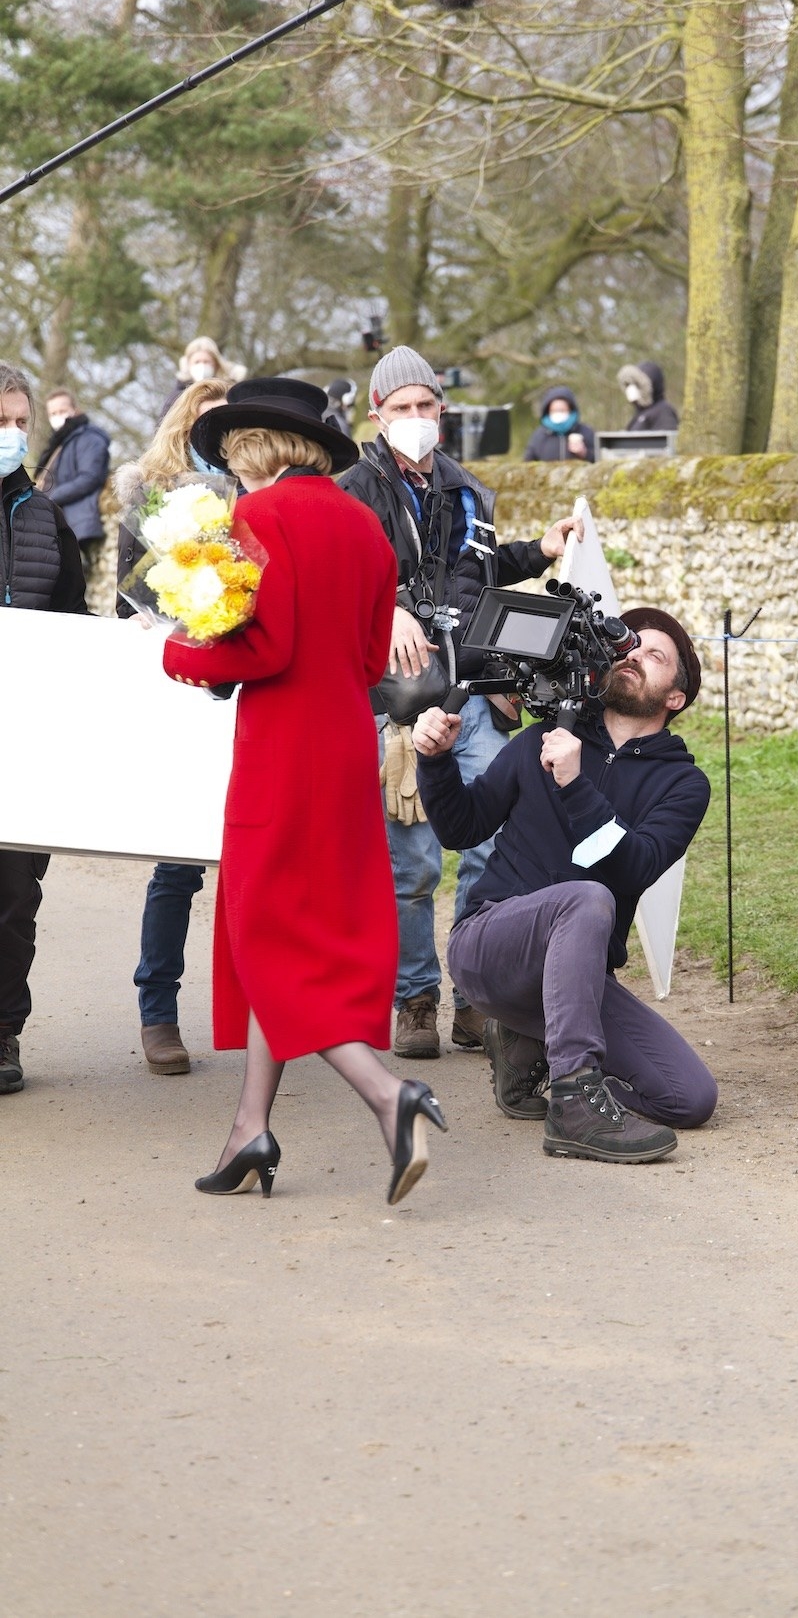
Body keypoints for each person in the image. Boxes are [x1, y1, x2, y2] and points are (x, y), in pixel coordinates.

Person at [163, 377, 445, 1205]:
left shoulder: (262, 517)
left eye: (230, 455)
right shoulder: (365, 525)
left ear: (254, 448)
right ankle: (250, 1124)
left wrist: (182, 652)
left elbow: (265, 649)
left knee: (261, 932)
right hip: (345, 746)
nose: (228, 471)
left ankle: (389, 1094)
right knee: (295, 932)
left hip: (281, 749)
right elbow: (366, 661)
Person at [339, 345, 583, 1058]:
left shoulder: (471, 489)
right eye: (402, 407)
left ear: (441, 410)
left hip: (473, 688)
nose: (416, 418)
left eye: (426, 406)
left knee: (487, 842)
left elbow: (478, 571)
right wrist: (384, 607)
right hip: (396, 698)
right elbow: (342, 576)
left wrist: (539, 548)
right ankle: (415, 996)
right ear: (377, 413)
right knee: (409, 861)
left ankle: (476, 990)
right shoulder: (353, 488)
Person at [411, 606, 718, 1164]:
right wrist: (436, 761)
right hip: (489, 947)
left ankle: (537, 1056)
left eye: (655, 656)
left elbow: (633, 867)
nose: (635, 658)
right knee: (586, 897)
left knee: (689, 1097)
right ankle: (577, 1097)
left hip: (576, 980)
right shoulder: (542, 739)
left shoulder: (684, 784)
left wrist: (576, 785)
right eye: (629, 648)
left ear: (676, 696)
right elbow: (462, 828)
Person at [114, 376, 234, 1075]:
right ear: (184, 426)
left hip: (253, 692)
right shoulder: (149, 506)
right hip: (183, 693)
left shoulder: (256, 501)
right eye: (208, 423)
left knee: (258, 865)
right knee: (177, 865)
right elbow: (127, 610)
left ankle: (270, 1012)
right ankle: (157, 1009)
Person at [0, 362, 87, 1096]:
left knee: (14, 898)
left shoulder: (47, 515)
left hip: (27, 742)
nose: (12, 435)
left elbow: (75, 627)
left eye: (19, 422)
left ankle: (3, 1030)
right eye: (0, 420)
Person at [34, 387, 111, 579]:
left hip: (77, 526)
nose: (58, 416)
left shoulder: (89, 438)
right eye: (53, 413)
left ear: (75, 409)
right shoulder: (61, 442)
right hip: (58, 523)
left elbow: (90, 477)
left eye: (62, 410)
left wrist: (51, 497)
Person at [159, 335, 246, 418]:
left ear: (216, 364)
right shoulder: (176, 398)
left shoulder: (231, 392)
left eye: (206, 362)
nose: (202, 366)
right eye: (197, 362)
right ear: (188, 365)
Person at [523, 387, 595, 462]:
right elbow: (528, 463)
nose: (558, 413)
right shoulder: (539, 435)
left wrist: (584, 454)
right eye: (554, 410)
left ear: (570, 410)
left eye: (562, 410)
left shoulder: (586, 432)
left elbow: (600, 460)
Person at [617, 363, 679, 433]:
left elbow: (666, 440)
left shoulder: (664, 411)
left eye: (636, 384)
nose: (631, 389)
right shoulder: (640, 413)